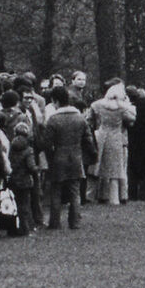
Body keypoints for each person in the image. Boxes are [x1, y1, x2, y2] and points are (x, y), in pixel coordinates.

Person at [37, 93, 94, 230]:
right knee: (75, 191)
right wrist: (91, 154)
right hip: (76, 156)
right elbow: (88, 139)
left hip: (58, 157)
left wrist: (51, 156)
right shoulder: (80, 118)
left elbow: (46, 143)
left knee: (56, 190)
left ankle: (55, 222)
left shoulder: (53, 119)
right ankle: (75, 222)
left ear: (56, 101)